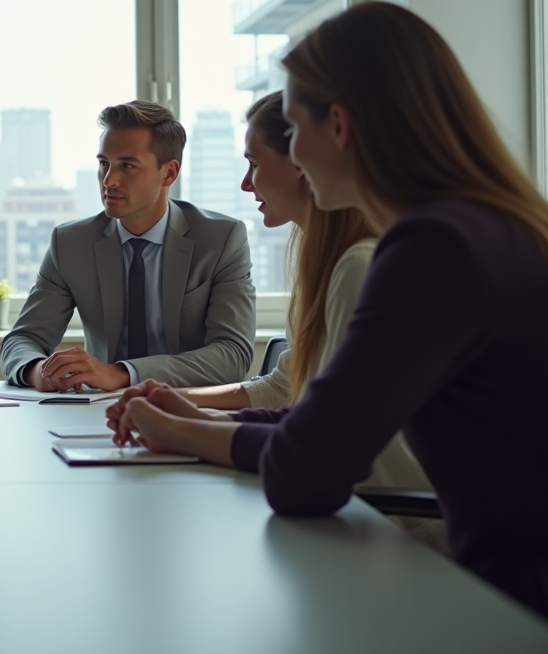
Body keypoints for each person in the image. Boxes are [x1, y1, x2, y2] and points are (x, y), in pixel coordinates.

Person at [107, 1, 548, 616]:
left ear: (338, 126)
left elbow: (306, 470)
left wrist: (174, 430)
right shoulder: (489, 229)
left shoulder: (430, 249)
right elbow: (321, 422)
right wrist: (192, 421)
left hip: (498, 605)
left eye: (295, 127)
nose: (293, 156)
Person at [177, 91, 444, 551]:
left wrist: (187, 429)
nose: (246, 184)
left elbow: (319, 443)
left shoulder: (361, 266)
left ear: (300, 162)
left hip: (399, 531)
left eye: (254, 164)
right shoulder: (324, 259)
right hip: (360, 513)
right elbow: (290, 391)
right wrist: (184, 406)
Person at [0, 100, 255, 392]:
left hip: (188, 408)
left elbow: (233, 354)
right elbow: (22, 340)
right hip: (96, 413)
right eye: (104, 164)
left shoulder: (221, 239)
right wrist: (38, 371)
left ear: (169, 173)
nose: (109, 180)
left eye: (127, 166)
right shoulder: (70, 243)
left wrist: (122, 374)